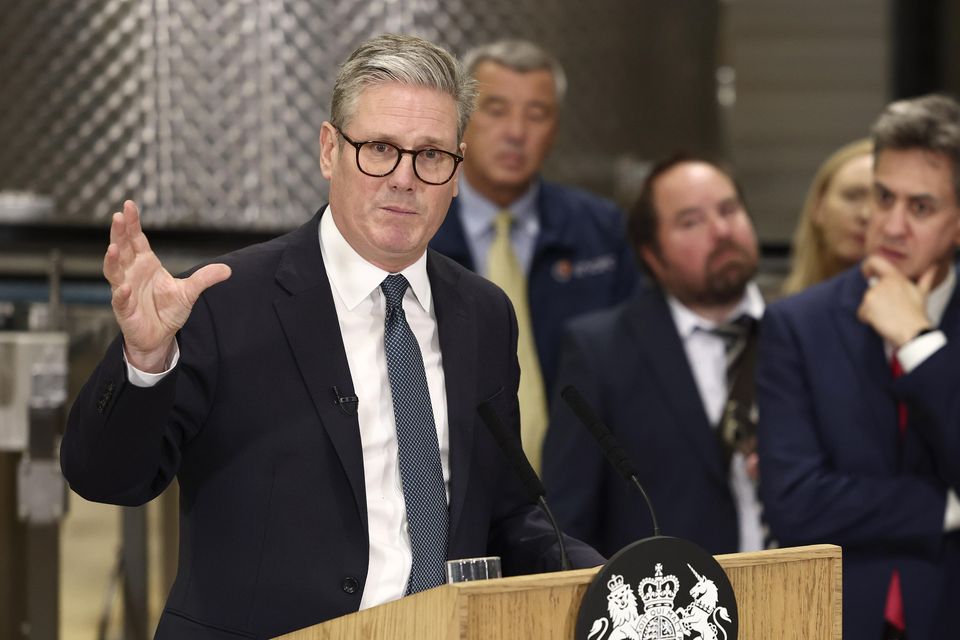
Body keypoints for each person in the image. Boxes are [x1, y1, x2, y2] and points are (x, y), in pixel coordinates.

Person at [60, 34, 602, 640]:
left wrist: (604, 581)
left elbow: (503, 511)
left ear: (456, 171)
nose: (404, 178)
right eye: (378, 149)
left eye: (430, 156)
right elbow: (107, 479)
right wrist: (145, 357)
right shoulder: (226, 300)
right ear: (328, 150)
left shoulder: (484, 313)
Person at [758, 94, 960, 640]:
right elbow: (794, 505)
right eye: (883, 196)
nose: (891, 225)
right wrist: (945, 506)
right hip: (839, 616)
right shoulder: (796, 324)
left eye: (921, 208)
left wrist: (919, 343)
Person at [542, 154, 766, 558]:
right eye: (691, 221)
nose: (721, 231)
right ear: (651, 255)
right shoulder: (600, 351)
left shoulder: (803, 332)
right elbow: (567, 526)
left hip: (806, 598)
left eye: (729, 210)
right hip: (666, 607)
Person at [429, 40, 638, 471]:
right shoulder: (419, 230)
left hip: (579, 486)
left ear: (556, 129)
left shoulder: (602, 232)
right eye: (497, 109)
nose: (516, 132)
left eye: (536, 114)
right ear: (461, 121)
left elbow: (633, 373)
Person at [782, 138, 874, 295]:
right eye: (852, 196)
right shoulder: (776, 313)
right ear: (818, 207)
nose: (866, 214)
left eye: (881, 201)